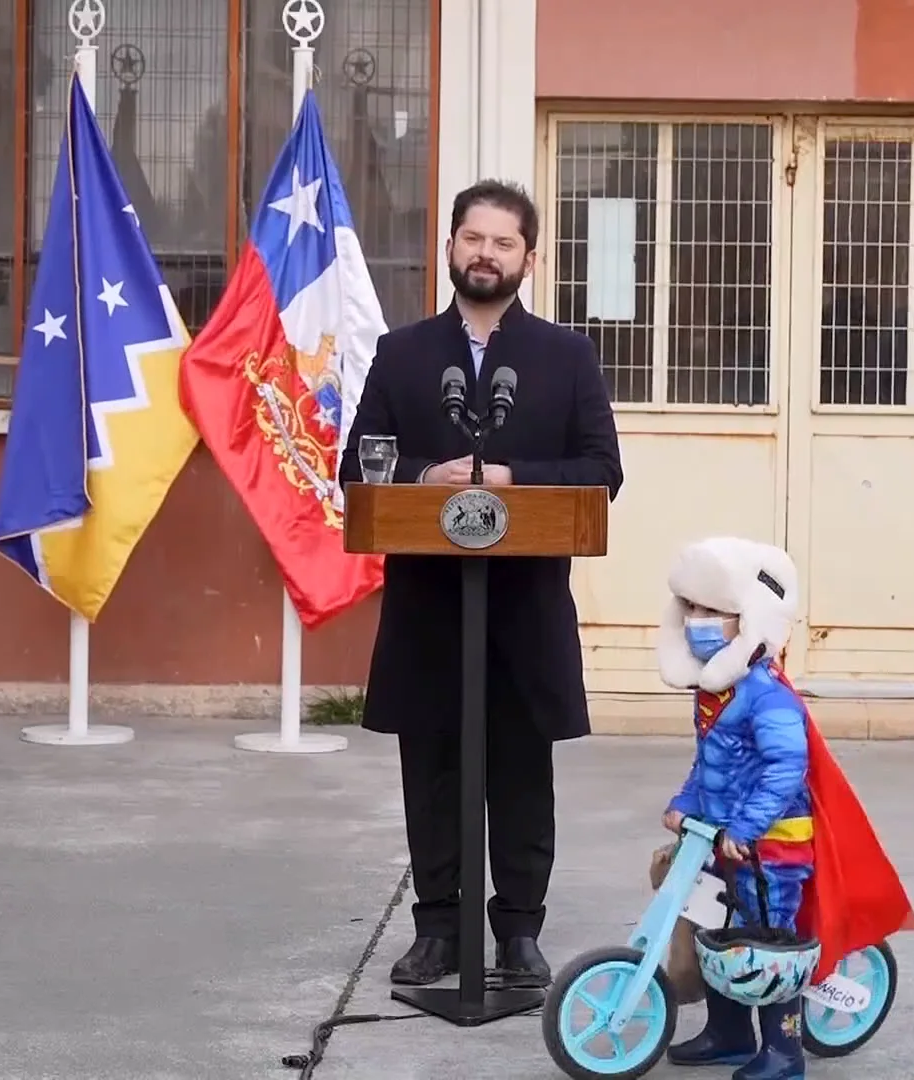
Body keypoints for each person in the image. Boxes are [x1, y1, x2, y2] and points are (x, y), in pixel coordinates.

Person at [336, 180, 624, 988]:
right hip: (430, 608)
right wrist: (425, 474)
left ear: (530, 258)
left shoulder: (566, 357)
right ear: (451, 248)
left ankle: (520, 932)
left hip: (524, 609)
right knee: (432, 769)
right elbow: (356, 463)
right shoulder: (404, 354)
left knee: (522, 773)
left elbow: (604, 471)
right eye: (473, 239)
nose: (485, 254)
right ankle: (436, 927)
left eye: (504, 242)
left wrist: (511, 474)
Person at [654, 537, 914, 1078]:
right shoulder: (715, 690)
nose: (699, 620)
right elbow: (711, 765)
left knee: (772, 946)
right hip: (723, 837)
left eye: (714, 611)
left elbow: (784, 770)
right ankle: (728, 1033)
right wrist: (684, 804)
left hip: (771, 847)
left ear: (750, 620)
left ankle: (784, 1051)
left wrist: (746, 826)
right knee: (718, 932)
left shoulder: (767, 695)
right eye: (693, 609)